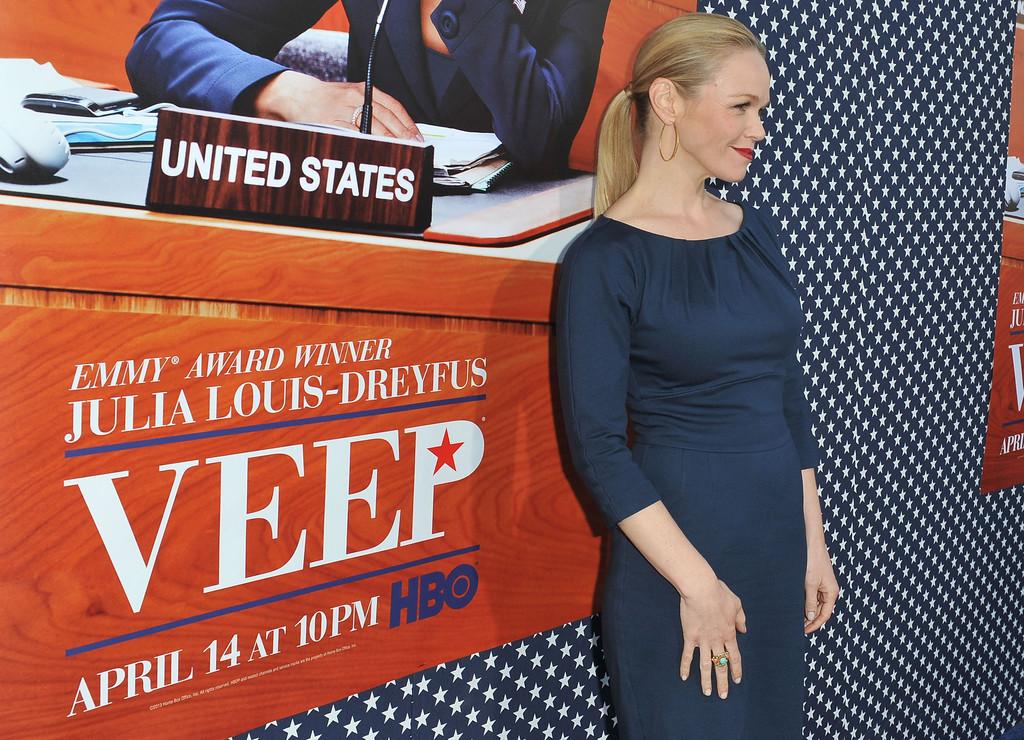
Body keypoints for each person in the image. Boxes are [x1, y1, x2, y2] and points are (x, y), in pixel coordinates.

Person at [554, 13, 840, 738]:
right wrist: (698, 584)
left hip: (773, 547)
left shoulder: (754, 227)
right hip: (677, 566)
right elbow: (597, 448)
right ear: (669, 102)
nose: (760, 129)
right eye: (742, 106)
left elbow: (785, 391)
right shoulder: (602, 261)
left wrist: (812, 541)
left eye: (763, 108)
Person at [124, 0, 610, 177]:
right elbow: (163, 40)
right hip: (359, 216)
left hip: (507, 248)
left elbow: (541, 130)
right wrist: (291, 92)